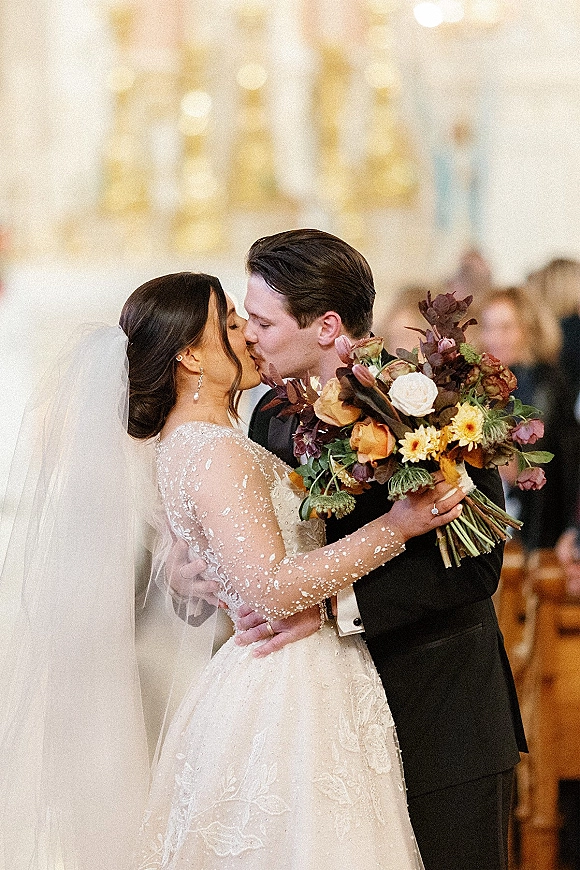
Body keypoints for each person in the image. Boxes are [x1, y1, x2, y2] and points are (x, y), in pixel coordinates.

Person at [0, 271, 464, 870]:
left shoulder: (202, 441)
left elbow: (223, 565)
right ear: (191, 356)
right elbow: (270, 590)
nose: (247, 334)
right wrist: (396, 527)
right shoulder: (212, 449)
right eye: (231, 323)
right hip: (288, 677)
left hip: (286, 671)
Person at [226, 229, 526, 870]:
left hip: (441, 715)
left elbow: (475, 570)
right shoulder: (267, 418)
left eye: (262, 321)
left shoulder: (427, 402)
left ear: (327, 325)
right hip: (327, 727)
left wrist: (332, 608)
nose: (249, 335)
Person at [477, 284, 580, 551]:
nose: (494, 338)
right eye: (489, 327)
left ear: (528, 328)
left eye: (505, 328)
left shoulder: (545, 381)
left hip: (540, 524)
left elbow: (528, 466)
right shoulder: (486, 382)